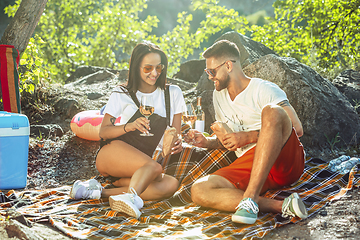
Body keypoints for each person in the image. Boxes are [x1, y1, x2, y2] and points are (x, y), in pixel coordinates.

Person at [184, 40, 308, 224]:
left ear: (228, 65)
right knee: (199, 189)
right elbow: (230, 139)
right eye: (207, 72)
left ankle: (249, 198)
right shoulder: (218, 96)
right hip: (250, 164)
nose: (210, 77)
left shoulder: (264, 89)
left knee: (272, 111)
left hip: (284, 161)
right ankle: (281, 206)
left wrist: (248, 137)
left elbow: (296, 129)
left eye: (212, 71)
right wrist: (208, 142)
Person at [69, 42, 186, 219]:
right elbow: (104, 132)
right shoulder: (121, 93)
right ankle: (131, 197)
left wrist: (177, 143)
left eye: (159, 67)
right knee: (154, 168)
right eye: (148, 68)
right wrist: (128, 126)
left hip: (144, 161)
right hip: (112, 154)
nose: (154, 73)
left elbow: (175, 134)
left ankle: (100, 192)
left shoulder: (173, 93)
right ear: (136, 67)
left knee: (170, 184)